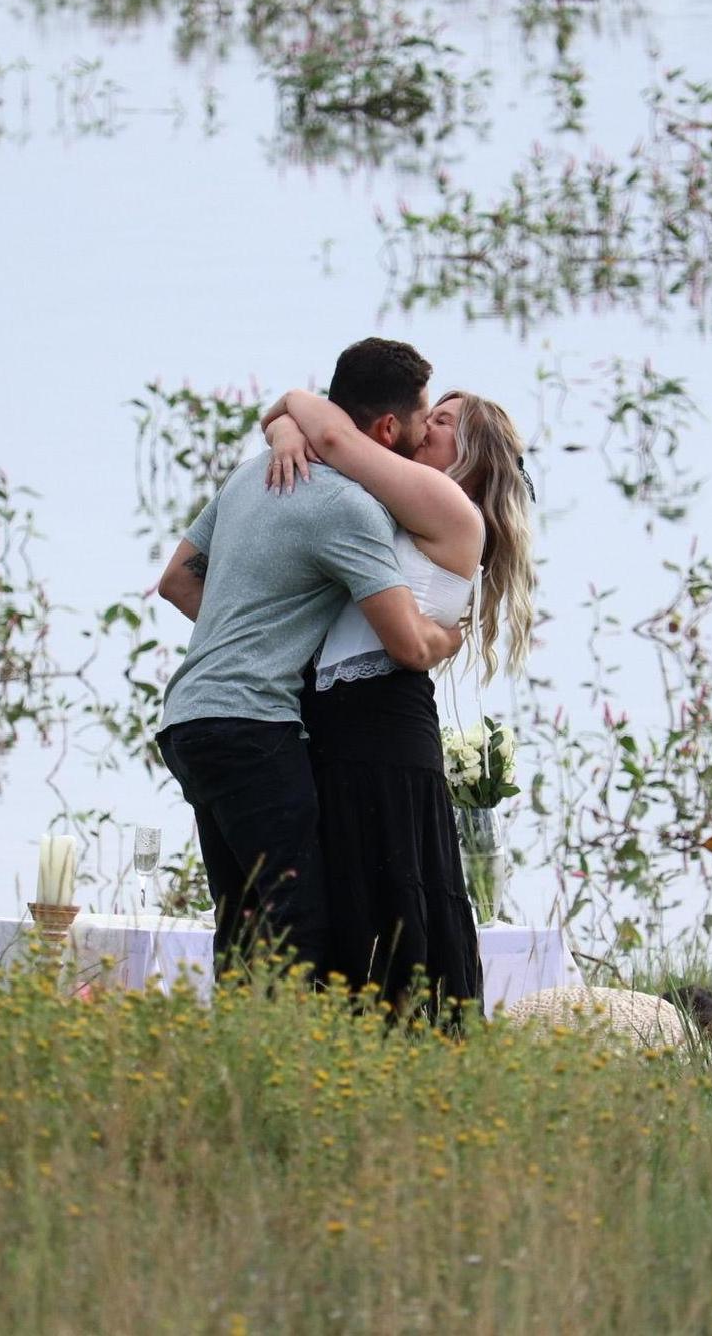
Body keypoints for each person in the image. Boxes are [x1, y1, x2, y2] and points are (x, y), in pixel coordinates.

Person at [154, 339, 463, 983]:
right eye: (420, 418)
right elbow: (406, 644)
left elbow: (178, 581)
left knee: (242, 919)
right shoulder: (347, 508)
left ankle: (234, 1068)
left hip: (187, 717)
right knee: (299, 921)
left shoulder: (250, 474)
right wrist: (450, 636)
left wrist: (247, 627)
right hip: (252, 728)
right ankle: (287, 1071)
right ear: (387, 427)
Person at [257, 384, 537, 1022]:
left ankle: (408, 1042)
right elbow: (304, 426)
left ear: (469, 455)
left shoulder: (444, 501)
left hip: (381, 722)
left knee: (389, 882)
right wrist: (282, 433)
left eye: (439, 422)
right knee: (348, 885)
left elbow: (330, 432)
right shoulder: (401, 500)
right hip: (338, 717)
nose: (419, 428)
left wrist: (296, 412)